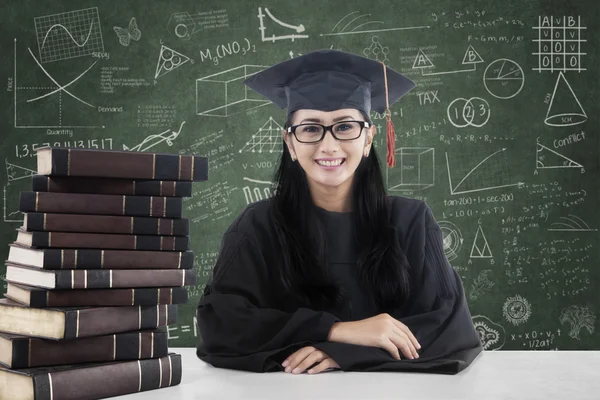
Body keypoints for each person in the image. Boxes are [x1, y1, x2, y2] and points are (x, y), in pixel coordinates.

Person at [195, 49, 483, 375]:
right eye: (310, 128)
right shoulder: (257, 226)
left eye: (345, 127)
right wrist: (336, 331)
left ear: (368, 138)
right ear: (289, 143)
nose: (329, 146)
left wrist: (344, 354)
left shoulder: (411, 222)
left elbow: (450, 328)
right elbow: (220, 323)